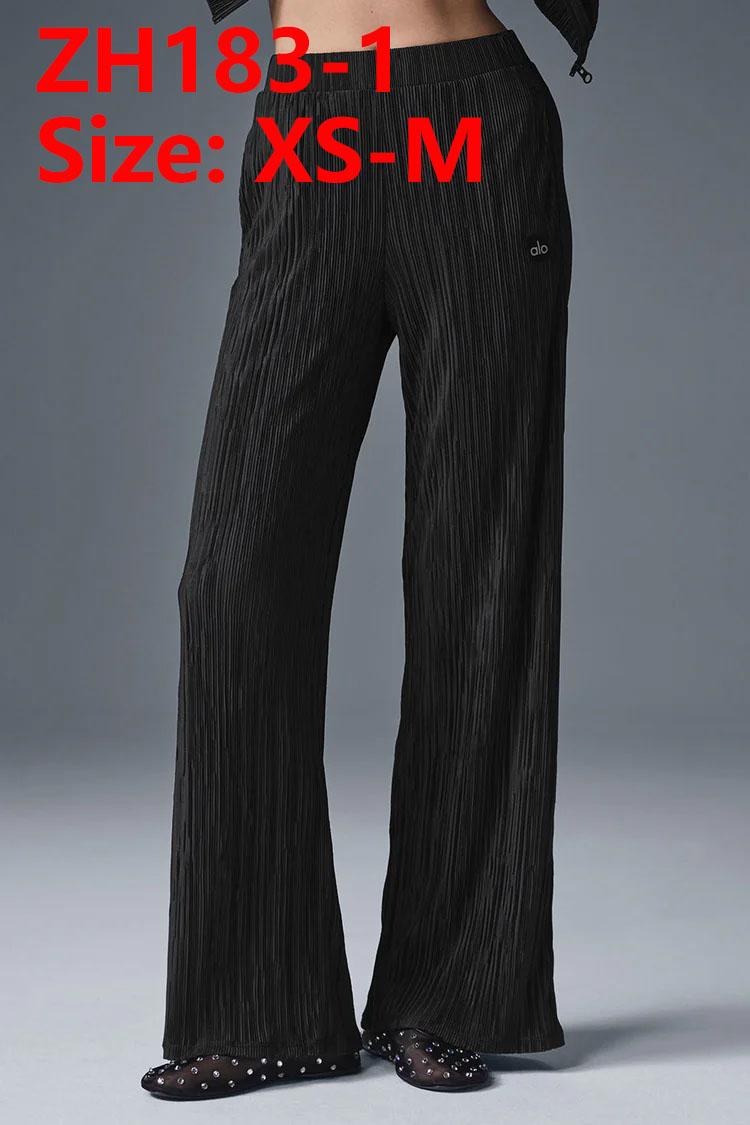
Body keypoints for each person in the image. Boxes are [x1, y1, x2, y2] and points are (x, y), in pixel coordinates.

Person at [140, 0, 598, 1100]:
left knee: (478, 568)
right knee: (232, 581)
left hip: (473, 113)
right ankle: (257, 1007)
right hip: (313, 123)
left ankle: (450, 993)